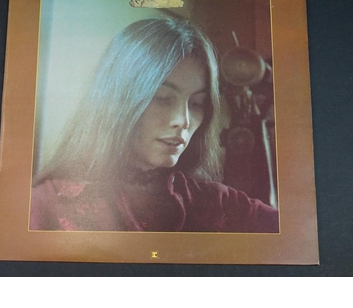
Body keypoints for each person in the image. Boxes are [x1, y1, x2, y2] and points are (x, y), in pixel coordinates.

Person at [30, 17, 278, 232]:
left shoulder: (213, 202)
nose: (183, 121)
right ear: (116, 100)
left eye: (197, 103)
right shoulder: (44, 206)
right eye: (162, 98)